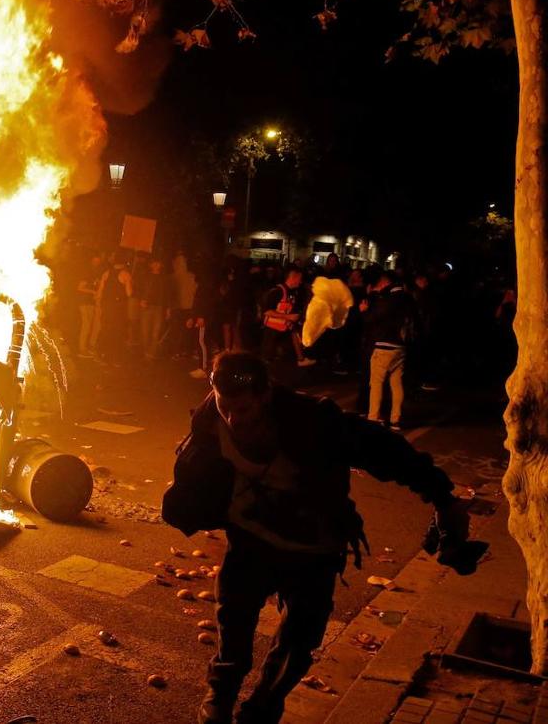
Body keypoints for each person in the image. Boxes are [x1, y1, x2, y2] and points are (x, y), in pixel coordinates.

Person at [164, 352, 477, 724]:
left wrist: (441, 496)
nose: (233, 419)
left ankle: (262, 710)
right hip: (250, 542)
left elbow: (386, 451)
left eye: (243, 410)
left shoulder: (312, 422)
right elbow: (192, 481)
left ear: (265, 396)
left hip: (313, 549)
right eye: (225, 407)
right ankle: (220, 697)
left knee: (298, 645)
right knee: (233, 620)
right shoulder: (208, 425)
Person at [363, 271, 416, 431]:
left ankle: (373, 417)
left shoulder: (388, 300)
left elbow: (372, 319)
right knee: (396, 383)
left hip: (384, 345)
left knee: (377, 383)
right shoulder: (408, 298)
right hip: (401, 346)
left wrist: (364, 310)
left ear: (385, 283)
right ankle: (396, 419)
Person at [259, 266, 314, 368]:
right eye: (299, 278)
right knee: (267, 355)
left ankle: (300, 359)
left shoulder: (292, 291)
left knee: (293, 339)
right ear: (292, 277)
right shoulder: (277, 291)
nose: (300, 281)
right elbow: (267, 311)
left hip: (284, 327)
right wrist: (288, 317)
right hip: (272, 328)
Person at [139, 258, 171, 358]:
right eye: (154, 263)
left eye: (158, 263)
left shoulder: (164, 278)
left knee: (156, 332)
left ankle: (151, 353)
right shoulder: (146, 276)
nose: (157, 265)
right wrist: (141, 300)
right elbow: (140, 289)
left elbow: (167, 295)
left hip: (159, 307)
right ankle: (146, 350)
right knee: (145, 331)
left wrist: (168, 309)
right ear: (151, 265)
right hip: (147, 306)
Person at [76, 255, 101, 358]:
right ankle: (82, 349)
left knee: (89, 325)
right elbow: (79, 288)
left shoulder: (96, 273)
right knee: (86, 325)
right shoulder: (87, 272)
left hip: (90, 302)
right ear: (91, 261)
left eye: (98, 261)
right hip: (84, 302)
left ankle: (86, 348)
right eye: (95, 261)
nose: (97, 263)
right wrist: (93, 291)